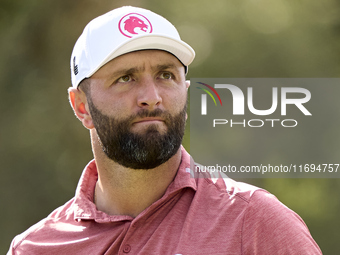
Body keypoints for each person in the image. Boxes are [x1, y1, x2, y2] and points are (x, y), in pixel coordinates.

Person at [8, 6, 322, 255]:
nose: (152, 97)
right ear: (81, 106)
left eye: (165, 75)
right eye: (126, 78)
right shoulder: (34, 249)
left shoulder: (254, 223)